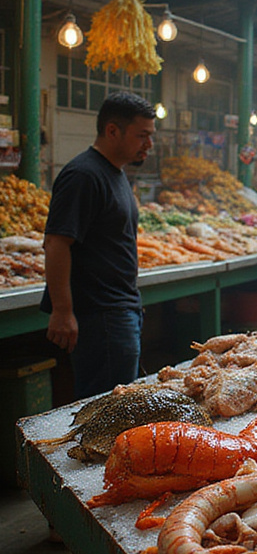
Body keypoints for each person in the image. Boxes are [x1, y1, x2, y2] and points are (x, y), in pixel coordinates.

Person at [41, 90, 157, 398]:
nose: (149, 145)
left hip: (120, 309)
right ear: (112, 130)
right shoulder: (84, 175)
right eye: (142, 135)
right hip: (100, 315)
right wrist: (63, 311)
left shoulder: (115, 173)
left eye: (151, 136)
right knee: (107, 410)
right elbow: (56, 243)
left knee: (119, 404)